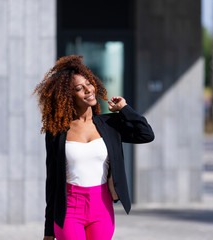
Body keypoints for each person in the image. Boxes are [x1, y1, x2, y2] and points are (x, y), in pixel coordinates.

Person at [33, 55, 155, 240]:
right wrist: (48, 230)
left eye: (88, 84)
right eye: (79, 88)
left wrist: (125, 109)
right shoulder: (57, 131)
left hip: (102, 206)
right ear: (68, 96)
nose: (88, 90)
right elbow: (52, 181)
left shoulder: (109, 124)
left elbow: (146, 134)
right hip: (69, 209)